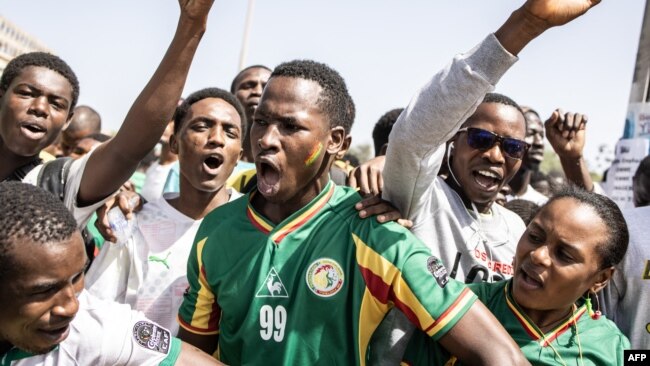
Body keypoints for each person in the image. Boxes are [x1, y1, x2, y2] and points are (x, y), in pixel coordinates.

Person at [177, 59, 528, 365]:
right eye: (261, 121)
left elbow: (500, 355)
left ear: (337, 142)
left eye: (290, 126)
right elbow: (191, 353)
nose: (267, 139)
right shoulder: (217, 230)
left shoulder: (376, 234)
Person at [345, 0, 602, 363]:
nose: (495, 156)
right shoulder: (420, 198)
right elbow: (413, 135)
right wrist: (522, 27)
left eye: (512, 147)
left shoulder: (520, 230)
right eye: (481, 139)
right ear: (452, 140)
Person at [0, 0, 215, 230]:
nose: (40, 108)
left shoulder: (60, 181)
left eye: (56, 104)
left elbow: (127, 148)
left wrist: (190, 27)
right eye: (26, 93)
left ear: (67, 121)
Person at [0, 182, 223, 365]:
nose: (71, 307)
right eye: (45, 290)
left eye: (76, 278)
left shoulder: (92, 324)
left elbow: (186, 360)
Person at [404, 186, 630, 365]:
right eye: (534, 236)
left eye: (564, 255)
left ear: (600, 279)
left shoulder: (614, 347)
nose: (538, 256)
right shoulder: (459, 308)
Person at [85, 87, 245, 335]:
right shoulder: (133, 222)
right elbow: (95, 316)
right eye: (202, 126)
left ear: (239, 155)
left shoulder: (257, 224)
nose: (216, 138)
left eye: (230, 131)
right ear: (174, 144)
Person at [506, 106, 548, 205]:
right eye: (530, 133)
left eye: (541, 135)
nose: (539, 143)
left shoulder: (543, 205)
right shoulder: (487, 198)